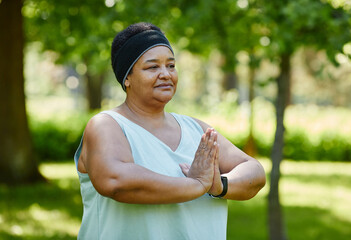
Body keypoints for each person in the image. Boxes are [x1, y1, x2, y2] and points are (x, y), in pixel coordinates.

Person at [74, 22, 266, 240]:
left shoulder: (196, 129)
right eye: (152, 67)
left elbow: (254, 172)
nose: (165, 74)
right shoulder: (107, 125)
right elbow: (116, 181)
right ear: (126, 78)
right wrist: (196, 185)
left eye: (171, 66)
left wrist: (219, 185)